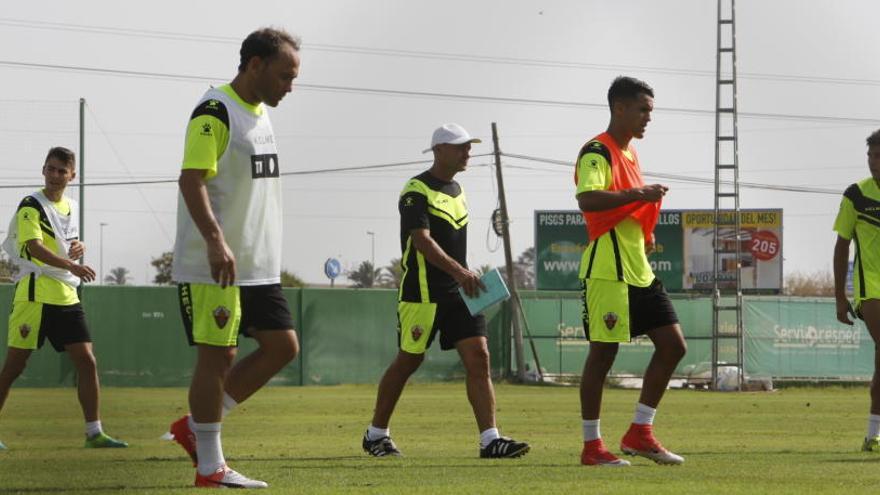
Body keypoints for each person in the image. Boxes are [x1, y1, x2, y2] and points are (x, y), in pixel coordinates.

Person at [168, 27, 301, 489]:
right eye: (285, 75)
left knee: (283, 347)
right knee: (219, 354)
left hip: (256, 265)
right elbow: (191, 179)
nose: (290, 85)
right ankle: (210, 466)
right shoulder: (214, 111)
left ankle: (196, 426)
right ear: (255, 65)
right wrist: (215, 241)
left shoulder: (260, 113)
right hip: (213, 263)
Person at [361, 123, 529, 459]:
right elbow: (421, 241)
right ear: (438, 150)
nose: (467, 152)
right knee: (410, 359)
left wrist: (466, 275)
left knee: (479, 358)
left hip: (460, 292)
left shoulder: (458, 189)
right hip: (421, 292)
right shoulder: (415, 189)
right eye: (460, 146)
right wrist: (459, 271)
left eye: (469, 146)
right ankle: (376, 434)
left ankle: (490, 440)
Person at [574, 77, 686, 466]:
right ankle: (592, 448)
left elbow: (623, 211)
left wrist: (643, 232)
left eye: (650, 112)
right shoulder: (596, 152)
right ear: (619, 108)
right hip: (607, 271)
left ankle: (640, 432)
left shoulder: (632, 154)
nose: (647, 119)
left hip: (638, 269)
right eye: (642, 110)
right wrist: (639, 195)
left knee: (673, 346)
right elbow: (587, 200)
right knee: (602, 356)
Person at [0, 147, 127, 449]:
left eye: (62, 171)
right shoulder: (32, 205)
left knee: (87, 361)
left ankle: (94, 432)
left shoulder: (71, 205)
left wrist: (77, 248)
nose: (56, 176)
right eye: (51, 169)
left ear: (73, 175)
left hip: (66, 296)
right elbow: (33, 247)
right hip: (35, 295)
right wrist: (72, 264)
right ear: (43, 170)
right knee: (15, 367)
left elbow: (63, 244)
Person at [833, 129, 880, 452]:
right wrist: (839, 296)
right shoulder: (856, 195)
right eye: (871, 156)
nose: (874, 163)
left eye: (879, 156)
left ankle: (872, 433)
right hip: (871, 289)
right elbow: (842, 245)